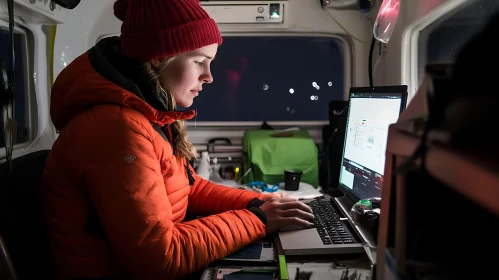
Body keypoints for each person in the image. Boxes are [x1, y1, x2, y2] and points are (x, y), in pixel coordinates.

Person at [41, 0, 315, 279]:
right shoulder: (117, 130)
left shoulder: (148, 117)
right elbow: (159, 260)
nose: (209, 77)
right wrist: (260, 220)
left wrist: (259, 202)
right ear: (159, 56)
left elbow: (190, 190)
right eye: (199, 62)